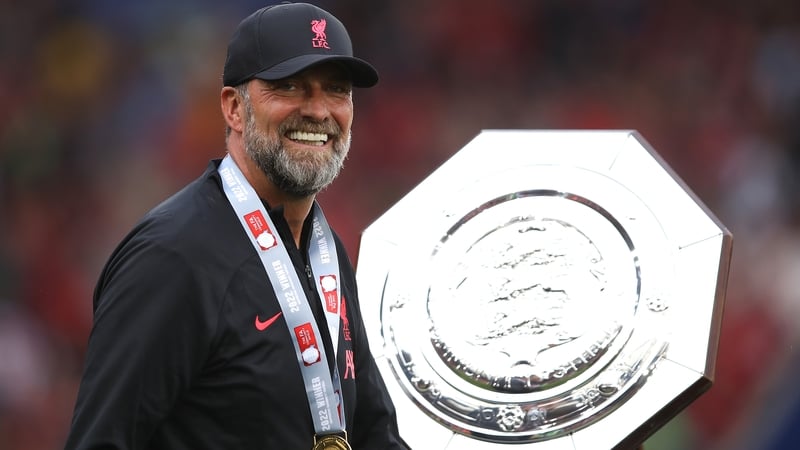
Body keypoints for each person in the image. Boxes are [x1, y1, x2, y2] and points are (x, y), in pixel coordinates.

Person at [64, 3, 408, 449]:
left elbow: (373, 435)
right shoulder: (172, 258)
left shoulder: (327, 253)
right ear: (233, 109)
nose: (318, 111)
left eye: (336, 90)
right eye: (289, 87)